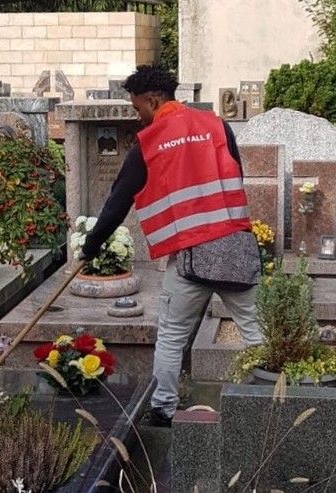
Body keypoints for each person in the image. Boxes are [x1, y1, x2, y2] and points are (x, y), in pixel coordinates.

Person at [80, 65, 263, 427]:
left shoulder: (148, 143)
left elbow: (119, 201)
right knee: (257, 333)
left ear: (152, 99)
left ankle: (163, 411)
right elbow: (234, 176)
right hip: (235, 250)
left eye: (138, 109)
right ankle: (274, 399)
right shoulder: (217, 126)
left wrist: (91, 246)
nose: (138, 116)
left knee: (171, 338)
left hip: (190, 258)